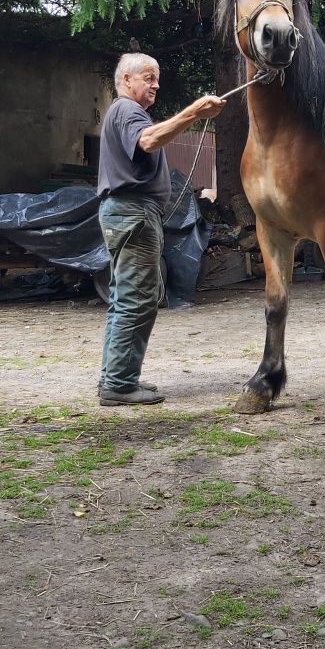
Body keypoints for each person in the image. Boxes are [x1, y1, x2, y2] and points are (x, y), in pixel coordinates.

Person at [96, 53, 225, 406]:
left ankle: (117, 377)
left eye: (157, 78)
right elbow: (149, 140)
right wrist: (193, 113)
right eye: (148, 78)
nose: (155, 84)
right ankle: (119, 384)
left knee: (125, 297)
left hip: (127, 212)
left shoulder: (125, 113)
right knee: (138, 298)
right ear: (126, 79)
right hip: (133, 212)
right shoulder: (127, 111)